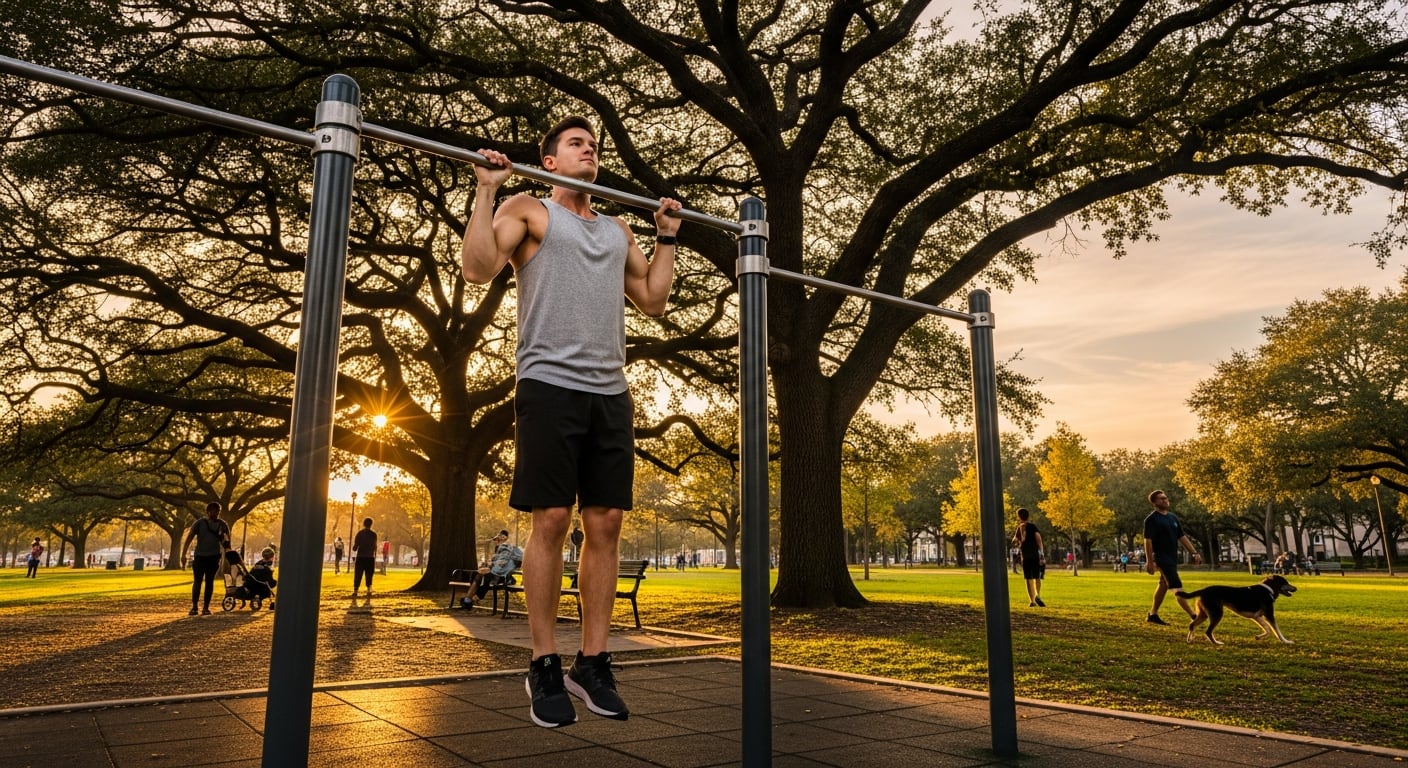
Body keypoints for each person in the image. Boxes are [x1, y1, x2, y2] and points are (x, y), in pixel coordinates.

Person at [461, 115, 681, 729]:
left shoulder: (617, 229)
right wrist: (485, 192)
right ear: (551, 162)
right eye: (577, 144)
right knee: (552, 517)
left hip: (609, 391)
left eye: (595, 145)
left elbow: (655, 299)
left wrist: (665, 237)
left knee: (606, 521)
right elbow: (477, 267)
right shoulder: (529, 209)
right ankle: (542, 664)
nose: (590, 150)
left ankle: (593, 661)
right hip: (548, 385)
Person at [1143, 489, 1201, 625]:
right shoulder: (1151, 519)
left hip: (1172, 558)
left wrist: (1194, 552)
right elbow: (1148, 541)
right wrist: (1149, 561)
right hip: (1162, 559)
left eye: (1165, 497)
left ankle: (1153, 615)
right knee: (1177, 588)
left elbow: (1182, 537)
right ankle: (1194, 616)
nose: (1165, 500)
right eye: (1161, 498)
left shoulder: (1172, 517)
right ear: (1154, 503)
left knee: (1163, 585)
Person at [182, 502, 231, 616]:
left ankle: (206, 607)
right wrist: (183, 554)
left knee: (209, 582)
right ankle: (194, 607)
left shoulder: (222, 524)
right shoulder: (199, 523)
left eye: (218, 511)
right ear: (208, 511)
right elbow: (189, 538)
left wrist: (228, 554)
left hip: (214, 557)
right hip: (200, 556)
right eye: (214, 510)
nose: (216, 513)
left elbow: (227, 541)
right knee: (197, 582)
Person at [462, 530, 524, 607]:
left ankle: (470, 599)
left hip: (502, 576)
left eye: (500, 536)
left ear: (504, 538)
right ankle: (469, 599)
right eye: (497, 537)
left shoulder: (506, 547)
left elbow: (503, 562)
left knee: (483, 576)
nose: (497, 540)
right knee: (477, 574)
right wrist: (488, 565)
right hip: (496, 573)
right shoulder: (499, 549)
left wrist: (491, 565)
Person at [1011, 508, 1045, 607]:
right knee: (1037, 576)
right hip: (1035, 554)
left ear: (1019, 517)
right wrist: (1041, 553)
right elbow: (1038, 538)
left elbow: (1014, 540)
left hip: (1025, 555)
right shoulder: (1033, 527)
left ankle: (1032, 601)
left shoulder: (1019, 528)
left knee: (1028, 578)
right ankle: (1038, 595)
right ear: (1028, 516)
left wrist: (1018, 542)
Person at [351, 518, 378, 598]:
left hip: (361, 557)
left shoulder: (360, 533)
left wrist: (355, 547)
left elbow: (355, 547)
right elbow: (375, 546)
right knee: (369, 574)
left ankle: (356, 591)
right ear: (371, 524)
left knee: (358, 574)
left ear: (364, 524)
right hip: (370, 557)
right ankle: (369, 589)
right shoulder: (374, 534)